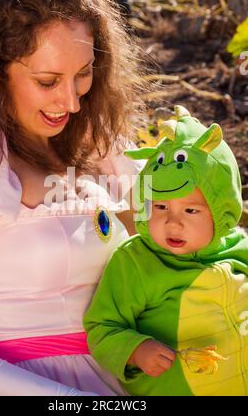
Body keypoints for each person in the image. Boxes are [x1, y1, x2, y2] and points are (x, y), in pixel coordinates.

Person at [0, 0, 148, 396]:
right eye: (47, 81)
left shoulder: (105, 151)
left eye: (84, 74)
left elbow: (170, 258)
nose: (71, 102)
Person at [84, 105, 248, 396]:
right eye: (160, 207)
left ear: (221, 210)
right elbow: (102, 326)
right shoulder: (135, 261)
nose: (173, 222)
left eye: (190, 210)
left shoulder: (240, 248)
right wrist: (135, 350)